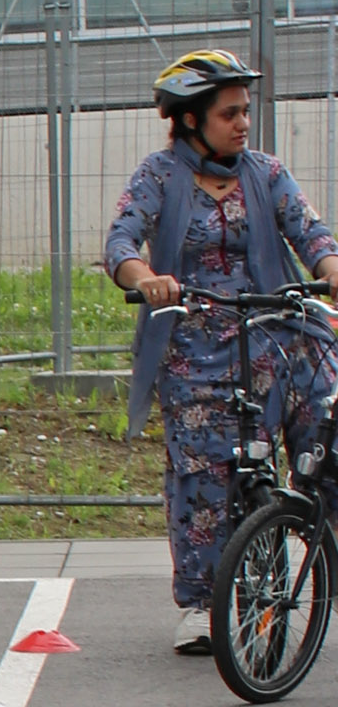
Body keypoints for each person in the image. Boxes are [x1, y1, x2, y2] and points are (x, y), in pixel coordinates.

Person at [107, 48, 338, 652]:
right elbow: (122, 242)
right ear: (190, 121)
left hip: (279, 335)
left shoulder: (266, 172)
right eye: (229, 113)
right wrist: (145, 277)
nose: (242, 123)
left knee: (330, 425)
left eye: (244, 112)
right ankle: (201, 604)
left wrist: (331, 267)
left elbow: (310, 233)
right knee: (204, 476)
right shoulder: (158, 176)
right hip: (196, 345)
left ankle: (318, 532)